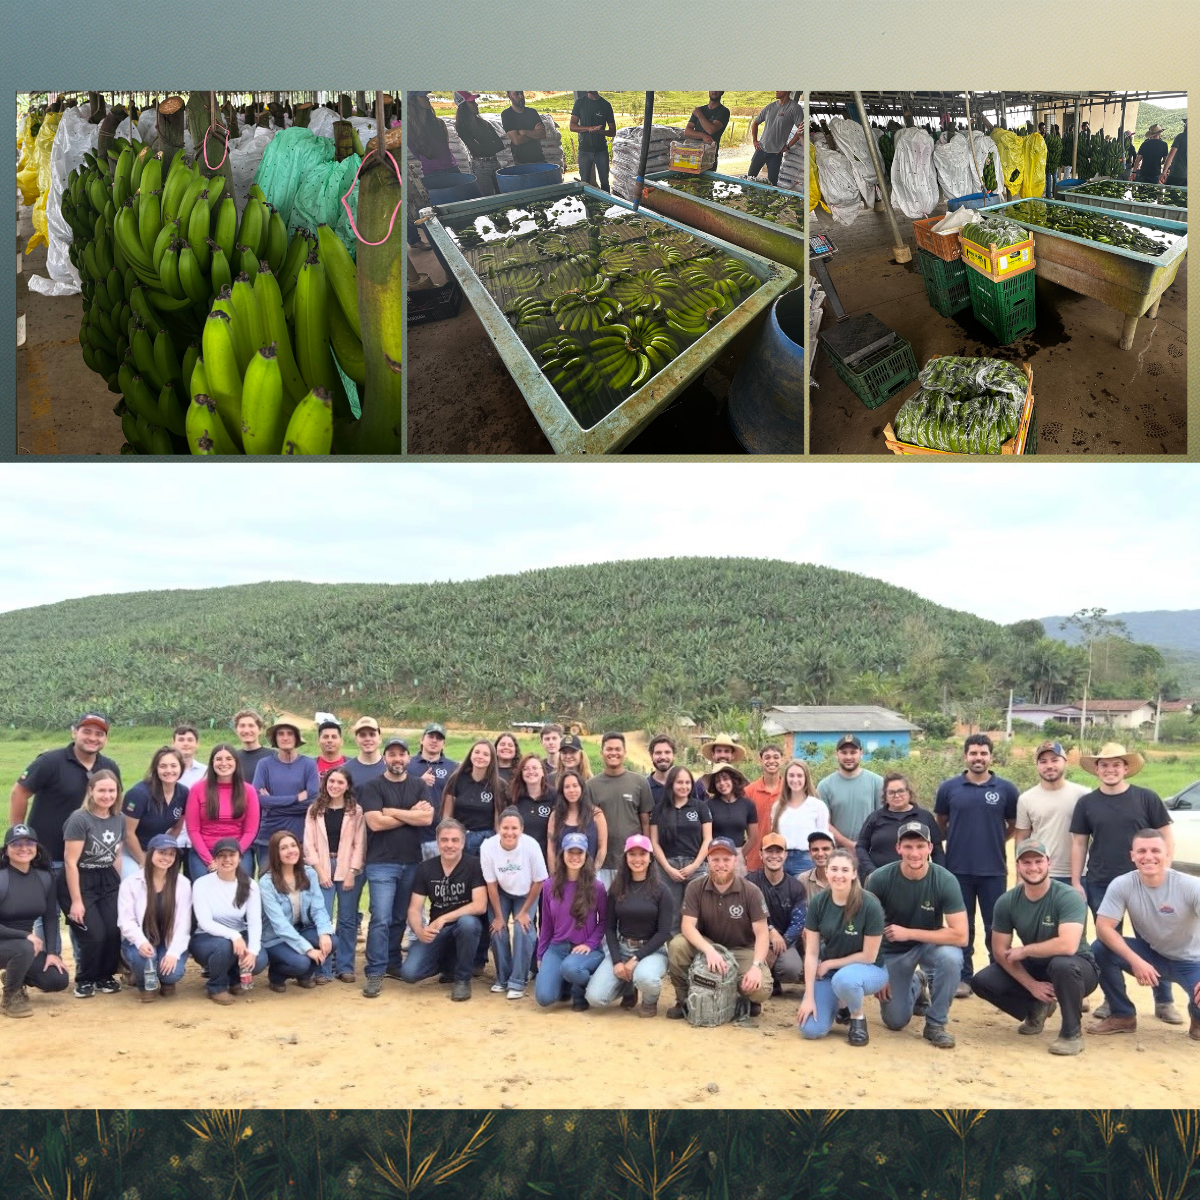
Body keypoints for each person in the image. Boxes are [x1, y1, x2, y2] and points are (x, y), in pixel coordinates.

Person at [1070, 742, 1178, 1022]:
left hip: (1147, 882)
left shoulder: (1147, 798)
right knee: (1107, 941)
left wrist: (1163, 871)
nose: (1110, 769)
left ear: (1126, 768)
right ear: (1097, 769)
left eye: (1116, 764)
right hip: (1101, 881)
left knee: (1153, 939)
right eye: (1104, 765)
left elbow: (1165, 836)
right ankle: (1112, 999)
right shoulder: (1086, 803)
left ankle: (1164, 1000)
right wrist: (1076, 881)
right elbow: (1079, 844)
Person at [970, 838, 1098, 1056]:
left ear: (1048, 862)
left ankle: (1071, 1033)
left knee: (1062, 965)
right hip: (1038, 967)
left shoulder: (1068, 896)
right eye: (1026, 863)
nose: (1033, 867)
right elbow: (1000, 950)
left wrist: (1025, 950)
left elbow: (1067, 945)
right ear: (1017, 866)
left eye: (1038, 861)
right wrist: (1031, 985)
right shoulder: (1007, 901)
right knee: (982, 981)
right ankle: (1036, 1008)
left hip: (1078, 967)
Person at [1088, 829, 1200, 1041]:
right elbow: (1103, 926)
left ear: (1167, 854)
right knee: (1100, 949)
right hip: (1153, 955)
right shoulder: (1122, 884)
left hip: (1192, 960)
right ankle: (1123, 1015)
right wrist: (1135, 961)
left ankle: (1198, 1020)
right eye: (1142, 851)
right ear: (1132, 855)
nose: (1148, 856)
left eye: (1155, 850)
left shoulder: (1191, 885)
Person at [865, 821, 967, 1049]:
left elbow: (961, 936)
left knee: (951, 957)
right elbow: (867, 928)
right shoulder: (878, 879)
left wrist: (908, 932)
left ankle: (936, 1024)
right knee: (895, 1021)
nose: (914, 853)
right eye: (908, 847)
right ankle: (917, 982)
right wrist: (879, 969)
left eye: (920, 846)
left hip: (928, 944)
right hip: (892, 951)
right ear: (898, 848)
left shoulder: (945, 879)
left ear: (930, 847)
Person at [934, 734, 1018, 997]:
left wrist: (993, 839)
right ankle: (964, 977)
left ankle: (998, 976)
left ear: (991, 757)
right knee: (963, 926)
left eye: (983, 753)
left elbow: (1013, 825)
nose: (978, 758)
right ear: (965, 757)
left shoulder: (1006, 789)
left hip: (993, 869)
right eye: (973, 753)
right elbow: (941, 824)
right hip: (957, 869)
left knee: (996, 925)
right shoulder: (949, 788)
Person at [9, 713, 121, 893]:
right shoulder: (49, 762)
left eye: (99, 734)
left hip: (90, 859)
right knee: (45, 915)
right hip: (49, 855)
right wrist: (19, 835)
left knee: (81, 914)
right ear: (74, 732)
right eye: (87, 731)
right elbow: (19, 793)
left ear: (106, 739)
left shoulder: (110, 767)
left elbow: (113, 808)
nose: (93, 738)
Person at [359, 738, 435, 998]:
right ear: (384, 759)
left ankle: (392, 963)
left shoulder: (418, 785)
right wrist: (407, 814)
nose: (397, 759)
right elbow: (375, 823)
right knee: (380, 918)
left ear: (409, 759)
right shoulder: (371, 787)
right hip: (381, 863)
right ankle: (375, 970)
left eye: (401, 754)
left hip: (411, 861)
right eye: (391, 754)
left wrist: (391, 811)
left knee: (400, 918)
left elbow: (426, 818)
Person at [666, 837, 771, 1020]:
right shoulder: (695, 887)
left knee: (761, 989)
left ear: (735, 860)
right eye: (715, 859)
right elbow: (687, 926)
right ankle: (684, 1001)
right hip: (709, 945)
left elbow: (762, 934)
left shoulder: (751, 891)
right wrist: (709, 950)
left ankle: (746, 999)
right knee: (677, 945)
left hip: (741, 949)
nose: (720, 864)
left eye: (726, 859)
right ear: (708, 861)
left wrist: (756, 966)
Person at [796, 850, 888, 1045]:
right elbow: (811, 953)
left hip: (870, 969)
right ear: (826, 872)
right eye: (834, 869)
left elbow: (869, 956)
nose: (839, 875)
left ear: (854, 873)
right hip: (831, 974)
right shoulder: (818, 903)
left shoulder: (870, 904)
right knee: (810, 1030)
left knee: (845, 979)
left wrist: (830, 963)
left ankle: (857, 1017)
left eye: (845, 870)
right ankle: (841, 1004)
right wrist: (809, 997)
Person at [585, 834, 674, 1016]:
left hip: (651, 951)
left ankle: (649, 1001)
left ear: (650, 858)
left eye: (642, 854)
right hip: (622, 948)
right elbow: (609, 928)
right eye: (632, 854)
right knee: (595, 997)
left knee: (645, 978)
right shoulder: (617, 887)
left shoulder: (662, 890)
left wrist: (636, 959)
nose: (637, 859)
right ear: (625, 857)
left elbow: (664, 932)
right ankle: (628, 985)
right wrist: (617, 961)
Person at [401, 819, 488, 1001]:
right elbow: (414, 909)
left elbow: (480, 905)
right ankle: (447, 965)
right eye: (445, 840)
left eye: (455, 840)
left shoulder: (473, 865)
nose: (450, 845)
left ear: (463, 842)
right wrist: (419, 931)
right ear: (438, 841)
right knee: (409, 974)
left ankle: (462, 980)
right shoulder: (425, 868)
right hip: (437, 931)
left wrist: (444, 918)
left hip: (463, 927)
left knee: (468, 924)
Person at [60, 769, 124, 998]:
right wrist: (76, 901)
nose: (107, 795)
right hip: (81, 877)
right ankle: (85, 978)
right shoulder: (80, 819)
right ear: (91, 791)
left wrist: (119, 886)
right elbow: (70, 861)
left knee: (113, 929)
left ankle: (105, 975)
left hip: (106, 878)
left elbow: (117, 854)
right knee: (94, 933)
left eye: (112, 790)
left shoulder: (119, 818)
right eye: (102, 790)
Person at [303, 767, 365, 982]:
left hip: (347, 866)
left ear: (347, 786)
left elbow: (360, 844)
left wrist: (352, 871)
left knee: (347, 920)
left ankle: (345, 966)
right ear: (325, 784)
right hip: (322, 866)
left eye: (340, 782)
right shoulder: (315, 810)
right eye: (331, 782)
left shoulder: (355, 811)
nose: (335, 786)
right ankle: (323, 968)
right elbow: (308, 844)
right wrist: (319, 870)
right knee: (323, 919)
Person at [0, 824, 69, 1017]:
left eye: (29, 843)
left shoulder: (45, 878)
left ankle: (14, 976)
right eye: (16, 844)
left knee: (57, 979)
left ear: (37, 847)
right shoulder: (2, 878)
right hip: (16, 943)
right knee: (24, 948)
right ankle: (10, 997)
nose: (23, 848)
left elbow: (50, 917)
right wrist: (24, 935)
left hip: (24, 946)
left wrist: (53, 953)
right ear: (6, 850)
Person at [189, 837, 268, 1005]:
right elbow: (204, 922)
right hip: (206, 938)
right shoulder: (201, 884)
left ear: (239, 858)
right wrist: (234, 936)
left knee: (260, 959)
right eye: (221, 856)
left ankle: (234, 979)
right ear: (215, 859)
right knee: (224, 946)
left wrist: (253, 951)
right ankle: (217, 986)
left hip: (239, 934)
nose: (227, 860)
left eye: (231, 855)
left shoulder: (250, 885)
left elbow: (254, 922)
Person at [535, 831, 607, 1010]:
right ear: (563, 855)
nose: (575, 857)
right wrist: (541, 954)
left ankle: (580, 987)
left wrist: (590, 944)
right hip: (557, 948)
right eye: (570, 852)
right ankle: (565, 982)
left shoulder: (596, 887)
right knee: (544, 998)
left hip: (585, 950)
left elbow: (604, 921)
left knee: (571, 969)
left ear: (586, 856)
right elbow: (546, 924)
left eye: (579, 853)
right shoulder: (549, 885)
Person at [481, 807, 547, 999]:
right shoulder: (488, 846)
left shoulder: (531, 845)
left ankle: (518, 981)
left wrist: (525, 911)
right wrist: (499, 917)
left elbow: (540, 880)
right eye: (505, 827)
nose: (509, 832)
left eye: (514, 828)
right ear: (498, 828)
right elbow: (491, 884)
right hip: (500, 890)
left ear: (522, 829)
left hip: (526, 892)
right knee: (497, 929)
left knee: (523, 929)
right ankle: (502, 978)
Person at [116, 833, 191, 1001]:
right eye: (162, 852)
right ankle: (144, 984)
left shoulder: (183, 883)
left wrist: (173, 953)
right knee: (143, 958)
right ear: (151, 853)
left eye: (171, 854)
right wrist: (140, 942)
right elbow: (126, 920)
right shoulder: (131, 882)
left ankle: (167, 981)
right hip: (141, 938)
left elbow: (184, 924)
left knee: (172, 974)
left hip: (168, 939)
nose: (167, 858)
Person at [259, 830, 335, 992]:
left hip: (301, 930)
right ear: (275, 853)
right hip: (276, 937)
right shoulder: (266, 883)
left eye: (293, 845)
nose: (291, 850)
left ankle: (305, 975)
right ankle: (277, 975)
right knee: (301, 962)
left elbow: (318, 908)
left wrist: (324, 933)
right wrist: (308, 949)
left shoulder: (309, 873)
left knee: (332, 942)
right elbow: (280, 925)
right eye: (284, 848)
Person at [1014, 741, 1089, 885]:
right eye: (1043, 762)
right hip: (1040, 873)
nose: (1049, 766)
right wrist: (1020, 877)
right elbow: (1022, 837)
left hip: (1077, 874)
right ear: (1037, 765)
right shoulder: (1026, 799)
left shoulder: (1083, 795)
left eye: (1055, 760)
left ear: (1065, 762)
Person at [586, 732, 655, 888]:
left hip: (632, 861)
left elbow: (645, 822)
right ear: (601, 752)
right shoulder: (591, 786)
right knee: (603, 909)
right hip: (602, 862)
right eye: (609, 749)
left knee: (629, 909)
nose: (613, 753)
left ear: (624, 752)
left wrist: (648, 855)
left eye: (618, 749)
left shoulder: (640, 782)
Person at [252, 720, 320, 873]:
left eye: (290, 734)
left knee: (300, 886)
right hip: (268, 836)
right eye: (280, 734)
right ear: (275, 739)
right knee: (267, 885)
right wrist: (296, 798)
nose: (285, 737)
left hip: (300, 836)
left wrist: (273, 804)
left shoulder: (308, 764)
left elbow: (312, 800)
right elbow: (259, 800)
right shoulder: (264, 765)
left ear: (296, 738)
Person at [184, 744, 259, 878]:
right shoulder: (197, 789)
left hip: (237, 850)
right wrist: (210, 861)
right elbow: (193, 830)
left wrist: (234, 856)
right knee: (204, 889)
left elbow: (250, 831)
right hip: (205, 851)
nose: (224, 763)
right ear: (212, 763)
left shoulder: (248, 790)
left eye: (229, 759)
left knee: (242, 889)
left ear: (236, 762)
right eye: (219, 759)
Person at [746, 832, 807, 996]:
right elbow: (745, 915)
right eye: (768, 851)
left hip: (783, 941)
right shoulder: (749, 882)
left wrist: (781, 943)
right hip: (753, 939)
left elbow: (798, 923)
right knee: (747, 962)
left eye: (778, 851)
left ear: (785, 855)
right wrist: (770, 931)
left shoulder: (796, 887)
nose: (774, 856)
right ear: (760, 854)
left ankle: (774, 978)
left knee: (791, 969)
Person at [651, 766, 712, 923]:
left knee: (697, 912)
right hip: (667, 868)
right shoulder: (659, 809)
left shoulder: (700, 807)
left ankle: (695, 946)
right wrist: (667, 868)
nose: (684, 786)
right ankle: (673, 946)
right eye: (679, 782)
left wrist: (695, 865)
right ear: (671, 784)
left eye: (687, 782)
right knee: (671, 914)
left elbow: (708, 839)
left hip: (696, 866)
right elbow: (654, 842)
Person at [855, 772, 944, 878]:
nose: (896, 795)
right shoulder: (875, 817)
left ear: (909, 792)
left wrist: (939, 875)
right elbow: (861, 846)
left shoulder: (925, 817)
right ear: (885, 796)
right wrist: (871, 870)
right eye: (891, 792)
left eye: (901, 791)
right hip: (879, 880)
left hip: (917, 879)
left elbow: (937, 850)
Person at [121, 747, 188, 879]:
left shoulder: (183, 792)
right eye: (163, 766)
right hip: (130, 850)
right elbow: (128, 833)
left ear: (181, 768)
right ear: (156, 769)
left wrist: (164, 849)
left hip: (156, 851)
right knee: (136, 878)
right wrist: (143, 860)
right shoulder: (138, 794)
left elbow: (177, 826)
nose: (169, 770)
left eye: (173, 766)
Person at [818, 735, 883, 852]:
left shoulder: (877, 782)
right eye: (844, 752)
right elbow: (823, 822)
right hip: (837, 854)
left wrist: (864, 845)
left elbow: (882, 818)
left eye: (853, 752)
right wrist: (849, 844)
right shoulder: (825, 786)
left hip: (870, 852)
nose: (848, 757)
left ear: (861, 753)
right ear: (836, 754)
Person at [769, 760, 832, 877]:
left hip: (806, 861)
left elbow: (823, 837)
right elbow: (774, 836)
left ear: (806, 778)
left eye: (799, 776)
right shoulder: (777, 807)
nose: (795, 780)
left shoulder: (818, 806)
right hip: (781, 859)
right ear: (786, 778)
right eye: (791, 775)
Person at [442, 740, 504, 857]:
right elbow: (447, 816)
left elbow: (498, 820)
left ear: (492, 759)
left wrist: (498, 844)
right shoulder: (456, 779)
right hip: (459, 839)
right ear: (471, 755)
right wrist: (448, 838)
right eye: (477, 752)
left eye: (486, 754)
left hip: (485, 841)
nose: (480, 756)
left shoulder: (497, 784)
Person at [409, 724, 459, 858]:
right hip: (411, 835)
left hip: (439, 836)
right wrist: (419, 782)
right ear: (421, 740)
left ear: (444, 744)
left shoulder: (453, 767)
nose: (434, 740)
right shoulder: (408, 764)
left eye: (439, 738)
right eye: (430, 736)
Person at [546, 769, 606, 871]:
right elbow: (551, 849)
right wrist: (554, 876)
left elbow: (602, 847)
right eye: (567, 787)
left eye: (575, 785)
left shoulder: (596, 814)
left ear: (582, 788)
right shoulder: (555, 816)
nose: (571, 790)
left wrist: (593, 873)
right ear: (562, 791)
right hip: (562, 876)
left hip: (589, 875)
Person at [706, 766, 759, 870]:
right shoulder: (708, 805)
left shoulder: (748, 805)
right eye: (717, 781)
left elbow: (753, 837)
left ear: (734, 780)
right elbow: (705, 836)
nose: (722, 783)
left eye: (725, 779)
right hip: (715, 854)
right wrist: (714, 855)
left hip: (738, 855)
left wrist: (740, 855)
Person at [509, 753, 557, 865]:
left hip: (545, 859)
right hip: (519, 859)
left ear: (543, 773)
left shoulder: (554, 796)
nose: (530, 771)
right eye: (526, 769)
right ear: (521, 773)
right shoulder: (513, 798)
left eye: (535, 768)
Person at [454, 92, 505, 195]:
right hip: (480, 167)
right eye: (472, 102)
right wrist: (490, 145)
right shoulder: (462, 127)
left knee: (503, 194)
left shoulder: (484, 123)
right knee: (488, 197)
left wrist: (483, 146)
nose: (476, 104)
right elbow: (478, 150)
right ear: (463, 106)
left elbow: (500, 145)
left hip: (495, 163)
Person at [749, 91, 804, 186]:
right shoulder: (770, 107)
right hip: (760, 150)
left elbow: (801, 130)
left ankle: (769, 201)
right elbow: (755, 123)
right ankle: (747, 198)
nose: (776, 90)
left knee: (772, 184)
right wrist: (754, 140)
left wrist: (788, 146)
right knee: (749, 178)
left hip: (775, 154)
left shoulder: (795, 108)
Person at [743, 744, 784, 870]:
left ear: (782, 760)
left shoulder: (789, 790)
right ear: (760, 760)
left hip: (783, 857)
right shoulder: (749, 791)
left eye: (776, 757)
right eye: (767, 757)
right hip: (755, 858)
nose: (772, 761)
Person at [570, 90, 616, 192]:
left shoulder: (605, 105)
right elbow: (572, 126)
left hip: (601, 150)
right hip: (584, 150)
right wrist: (589, 128)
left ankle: (607, 205)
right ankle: (587, 207)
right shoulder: (580, 103)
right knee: (585, 184)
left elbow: (613, 131)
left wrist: (600, 132)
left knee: (605, 183)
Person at [409, 91, 458, 174]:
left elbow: (445, 146)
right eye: (422, 97)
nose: (427, 98)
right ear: (413, 101)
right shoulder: (410, 129)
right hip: (433, 172)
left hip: (453, 167)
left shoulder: (439, 123)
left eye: (426, 96)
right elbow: (417, 153)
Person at [646, 735, 702, 805]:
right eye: (658, 753)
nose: (663, 757)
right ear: (651, 756)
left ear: (674, 755)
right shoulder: (645, 787)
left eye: (667, 752)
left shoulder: (686, 785)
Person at [683, 91, 731, 168]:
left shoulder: (724, 111)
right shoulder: (700, 109)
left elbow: (711, 130)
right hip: (693, 153)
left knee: (705, 179)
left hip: (709, 156)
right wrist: (702, 135)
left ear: (722, 92)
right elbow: (687, 132)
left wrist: (699, 115)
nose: (714, 91)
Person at [501, 91, 547, 164]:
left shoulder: (532, 112)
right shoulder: (507, 115)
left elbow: (543, 134)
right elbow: (517, 140)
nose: (521, 96)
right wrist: (535, 133)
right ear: (510, 96)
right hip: (521, 162)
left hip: (539, 158)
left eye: (521, 93)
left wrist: (524, 132)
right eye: (516, 94)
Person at [342, 717, 386, 790]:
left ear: (380, 738)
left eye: (372, 734)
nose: (368, 739)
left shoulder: (390, 767)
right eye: (362, 735)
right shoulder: (345, 771)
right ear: (356, 740)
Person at [232, 709, 273, 781]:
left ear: (260, 730)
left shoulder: (273, 757)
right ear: (236, 730)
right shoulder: (231, 758)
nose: (246, 730)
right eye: (242, 726)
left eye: (251, 726)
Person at [798, 830, 835, 899]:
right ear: (809, 852)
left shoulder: (843, 878)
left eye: (825, 849)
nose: (820, 854)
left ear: (834, 851)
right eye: (815, 849)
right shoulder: (803, 880)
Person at [1162, 119, 1187, 186]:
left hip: (1177, 174)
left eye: (1185, 124)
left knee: (1172, 195)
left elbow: (1171, 155)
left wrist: (1164, 172)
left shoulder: (1180, 136)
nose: (1183, 125)